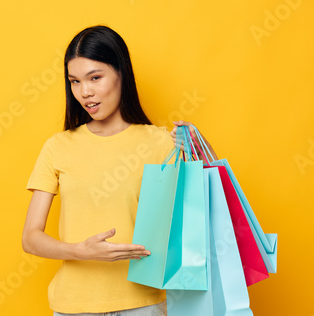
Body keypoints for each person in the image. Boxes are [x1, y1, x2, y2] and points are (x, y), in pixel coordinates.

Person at [22, 25, 217, 316]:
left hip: (143, 304)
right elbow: (30, 237)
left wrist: (201, 146)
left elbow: (210, 204)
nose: (85, 92)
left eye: (95, 78)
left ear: (121, 73)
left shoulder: (161, 141)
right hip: (73, 306)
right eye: (74, 81)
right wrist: (79, 251)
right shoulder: (58, 146)